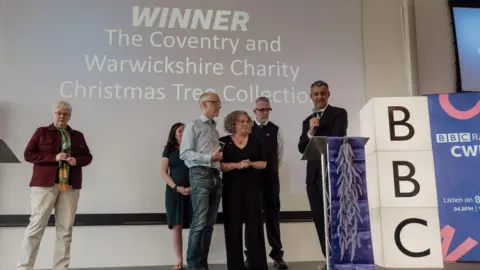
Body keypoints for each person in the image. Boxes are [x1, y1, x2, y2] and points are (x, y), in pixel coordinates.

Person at [17, 101, 93, 270]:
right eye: (59, 113)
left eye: (65, 114)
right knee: (36, 227)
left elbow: (88, 157)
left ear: (70, 116)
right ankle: (23, 267)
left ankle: (61, 268)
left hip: (70, 187)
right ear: (53, 114)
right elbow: (28, 154)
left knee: (65, 230)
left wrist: (77, 161)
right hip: (44, 186)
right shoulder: (41, 132)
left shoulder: (77, 135)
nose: (61, 116)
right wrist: (54, 158)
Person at [297, 80, 348, 262]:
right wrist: (310, 131)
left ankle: (341, 259)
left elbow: (337, 136)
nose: (319, 97)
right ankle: (328, 259)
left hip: (332, 173)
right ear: (311, 97)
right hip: (313, 178)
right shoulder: (307, 122)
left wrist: (318, 131)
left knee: (335, 219)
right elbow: (302, 147)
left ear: (328, 94)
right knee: (320, 220)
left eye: (322, 93)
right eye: (316, 94)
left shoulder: (339, 113)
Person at [179, 92, 223, 270]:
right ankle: (193, 266)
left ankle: (202, 265)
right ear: (205, 104)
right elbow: (185, 154)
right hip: (200, 175)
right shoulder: (193, 125)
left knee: (209, 226)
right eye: (216, 102)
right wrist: (209, 157)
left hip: (215, 177)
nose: (219, 106)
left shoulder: (214, 129)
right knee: (199, 223)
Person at [220, 110, 268, 270]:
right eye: (241, 121)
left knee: (255, 228)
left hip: (253, 190)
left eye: (247, 121)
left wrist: (251, 164)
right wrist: (236, 165)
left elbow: (264, 163)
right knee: (232, 229)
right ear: (232, 124)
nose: (246, 123)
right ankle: (235, 266)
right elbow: (219, 166)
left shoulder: (256, 140)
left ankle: (258, 266)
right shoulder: (224, 142)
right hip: (231, 191)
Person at [245, 97, 288, 270]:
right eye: (261, 110)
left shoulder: (276, 130)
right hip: (251, 182)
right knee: (251, 219)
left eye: (267, 110)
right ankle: (250, 257)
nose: (264, 112)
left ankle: (277, 256)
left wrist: (270, 171)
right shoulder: (247, 129)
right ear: (254, 111)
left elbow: (280, 156)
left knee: (272, 218)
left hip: (271, 181)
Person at [161, 122, 193, 270]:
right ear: (174, 133)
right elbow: (163, 173)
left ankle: (194, 259)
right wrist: (177, 187)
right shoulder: (169, 150)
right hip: (174, 192)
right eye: (179, 131)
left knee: (196, 226)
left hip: (194, 191)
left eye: (184, 131)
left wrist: (194, 187)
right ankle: (179, 261)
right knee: (177, 226)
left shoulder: (193, 148)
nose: (182, 133)